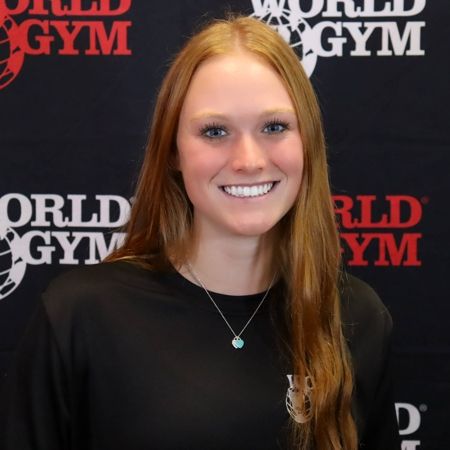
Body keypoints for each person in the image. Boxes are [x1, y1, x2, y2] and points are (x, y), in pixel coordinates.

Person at [0, 16, 400, 450]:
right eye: (215, 131)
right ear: (173, 151)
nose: (249, 160)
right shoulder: (80, 315)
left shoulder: (357, 317)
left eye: (274, 127)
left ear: (308, 141)